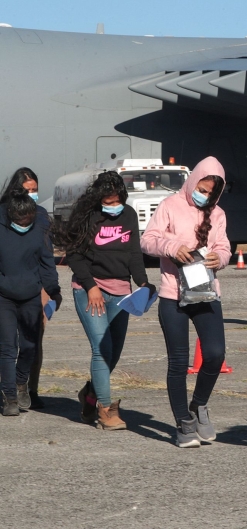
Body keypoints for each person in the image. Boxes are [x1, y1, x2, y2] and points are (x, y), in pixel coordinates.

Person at [141, 157, 231, 447]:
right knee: (178, 363)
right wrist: (171, 247)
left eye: (210, 192)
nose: (204, 196)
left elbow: (224, 246)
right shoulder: (170, 205)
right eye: (201, 189)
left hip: (205, 294)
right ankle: (183, 422)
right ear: (193, 181)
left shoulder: (217, 214)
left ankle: (199, 404)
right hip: (172, 296)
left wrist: (222, 258)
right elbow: (148, 240)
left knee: (215, 354)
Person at [59, 171, 152, 429]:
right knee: (102, 350)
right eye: (107, 202)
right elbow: (74, 256)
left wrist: (143, 284)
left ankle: (89, 395)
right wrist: (91, 287)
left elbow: (134, 253)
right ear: (98, 198)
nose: (113, 207)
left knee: (114, 353)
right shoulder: (87, 215)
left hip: (122, 292)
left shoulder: (130, 215)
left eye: (116, 201)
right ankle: (106, 410)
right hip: (91, 290)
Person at [0, 189, 62, 416]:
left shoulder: (40, 229)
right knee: (7, 347)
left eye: (28, 221)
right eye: (19, 222)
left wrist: (54, 290)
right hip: (3, 296)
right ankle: (9, 397)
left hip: (31, 295)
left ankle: (20, 382)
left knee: (30, 346)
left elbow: (47, 262)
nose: (23, 225)